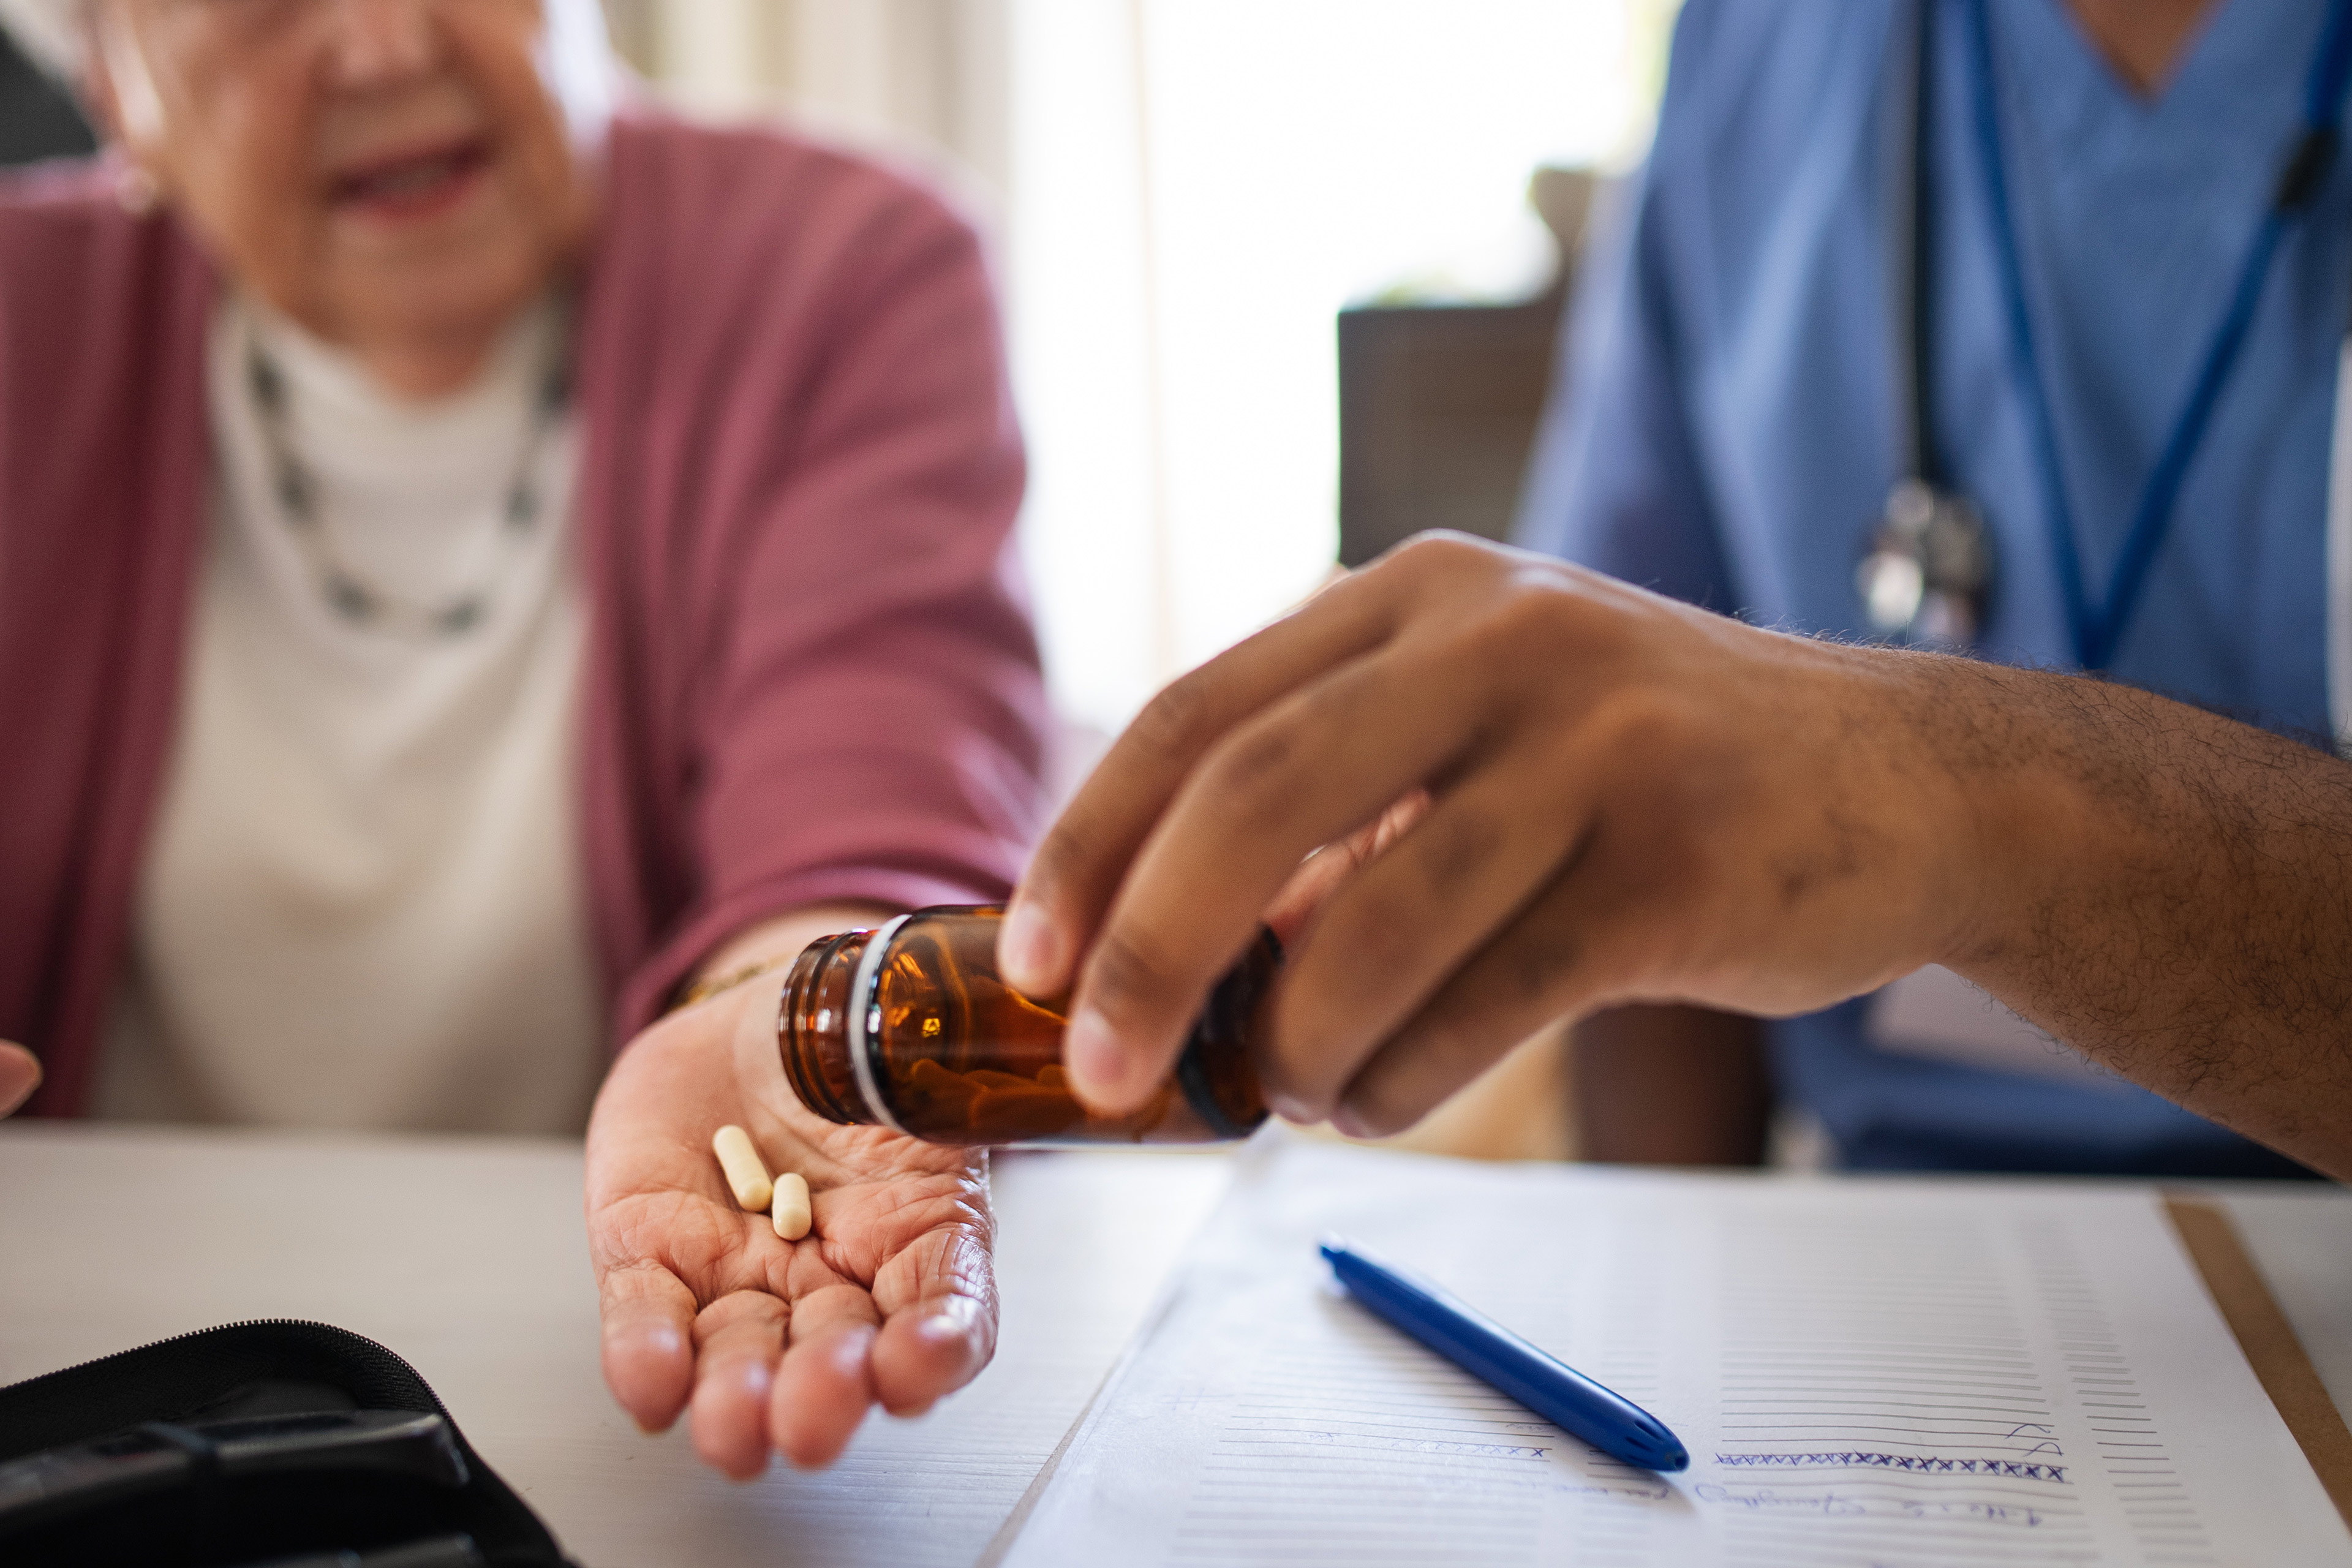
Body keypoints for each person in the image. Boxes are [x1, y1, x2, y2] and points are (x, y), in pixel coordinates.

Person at [986, 0, 2352, 1187]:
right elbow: (1633, 813)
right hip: (1880, 1256)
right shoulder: (1767, 43)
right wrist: (1659, 1296)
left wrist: (1956, 793)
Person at [0, 0, 1044, 1476]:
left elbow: (875, 783)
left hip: (602, 1403)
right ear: (113, 83)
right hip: (105, 1377)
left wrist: (804, 1033)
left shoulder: (849, 261)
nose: (381, 46)